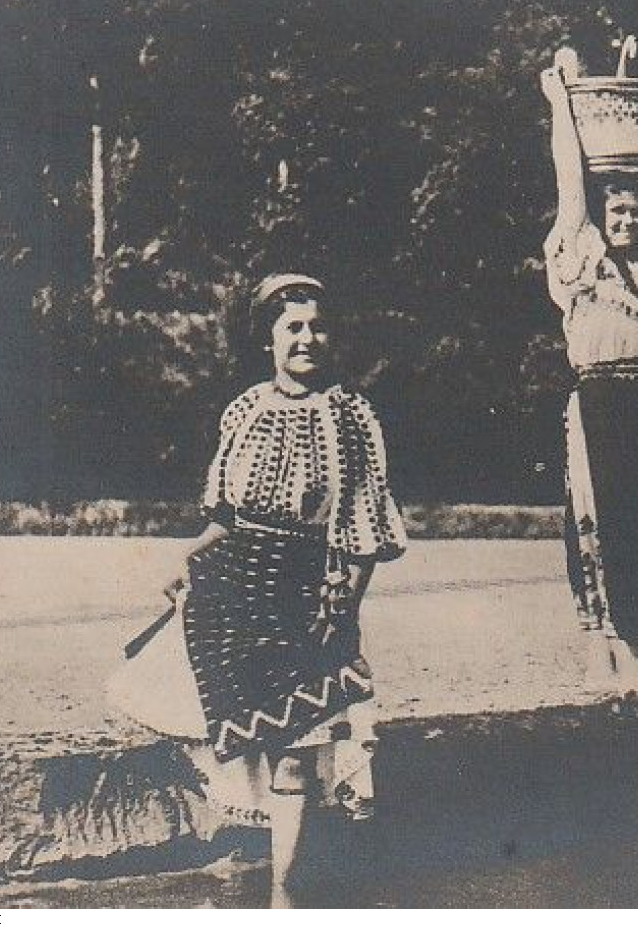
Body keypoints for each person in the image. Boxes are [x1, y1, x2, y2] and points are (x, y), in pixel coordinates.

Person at [110, 273, 407, 893]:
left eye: (317, 326)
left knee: (299, 744)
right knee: (239, 735)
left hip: (310, 594)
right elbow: (223, 516)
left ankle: (283, 893)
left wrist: (345, 605)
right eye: (293, 327)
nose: (307, 338)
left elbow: (365, 531)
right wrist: (185, 557)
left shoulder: (352, 418)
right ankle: (254, 862)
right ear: (269, 340)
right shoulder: (245, 410)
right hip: (234, 593)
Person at [539, 47, 638, 731]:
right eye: (618, 214)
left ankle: (620, 665)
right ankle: (630, 678)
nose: (626, 221)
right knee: (605, 536)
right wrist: (561, 102)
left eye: (633, 212)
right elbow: (571, 182)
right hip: (600, 407)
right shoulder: (579, 254)